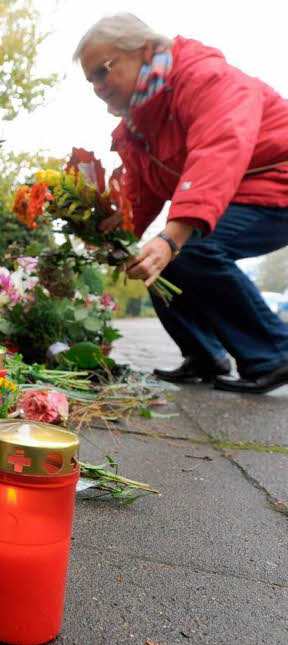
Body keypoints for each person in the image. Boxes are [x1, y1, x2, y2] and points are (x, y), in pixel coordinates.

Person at [75, 14, 288, 393]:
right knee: (158, 263)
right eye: (90, 78)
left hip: (277, 183)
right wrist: (111, 240)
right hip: (231, 195)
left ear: (142, 50)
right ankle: (204, 356)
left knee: (191, 250)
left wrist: (174, 236)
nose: (97, 86)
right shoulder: (138, 128)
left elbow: (219, 150)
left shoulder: (204, 77)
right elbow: (143, 194)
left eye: (103, 71)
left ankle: (274, 353)